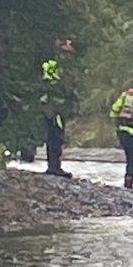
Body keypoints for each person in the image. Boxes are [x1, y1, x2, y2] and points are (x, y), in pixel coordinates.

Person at [40, 37, 75, 177]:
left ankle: (54, 165)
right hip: (53, 106)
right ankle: (54, 166)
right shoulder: (52, 64)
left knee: (56, 135)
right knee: (55, 135)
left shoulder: (59, 65)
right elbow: (51, 82)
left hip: (57, 105)